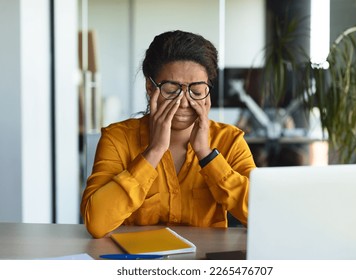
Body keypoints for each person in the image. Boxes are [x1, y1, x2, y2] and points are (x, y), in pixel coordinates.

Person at [80, 30, 256, 238]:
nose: (183, 102)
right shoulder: (117, 138)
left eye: (197, 91)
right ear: (149, 87)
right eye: (171, 90)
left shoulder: (230, 140)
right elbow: (97, 223)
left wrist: (206, 155)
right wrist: (154, 151)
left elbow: (261, 215)